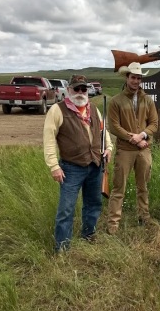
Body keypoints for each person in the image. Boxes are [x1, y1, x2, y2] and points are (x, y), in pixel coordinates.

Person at [43, 74, 113, 252]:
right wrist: (54, 166)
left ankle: (88, 235)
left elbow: (103, 132)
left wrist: (109, 148)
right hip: (71, 168)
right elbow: (49, 139)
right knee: (66, 209)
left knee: (94, 204)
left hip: (95, 165)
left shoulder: (93, 109)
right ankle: (62, 247)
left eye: (84, 89)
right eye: (77, 89)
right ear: (68, 90)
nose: (81, 92)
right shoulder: (57, 110)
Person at [106, 62, 158, 235]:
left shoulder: (148, 99)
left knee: (143, 186)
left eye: (139, 78)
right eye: (133, 77)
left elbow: (154, 123)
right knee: (118, 187)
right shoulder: (116, 101)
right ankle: (113, 223)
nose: (136, 81)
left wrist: (142, 135)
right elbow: (113, 126)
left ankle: (144, 216)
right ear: (127, 78)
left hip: (144, 150)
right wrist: (134, 139)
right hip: (125, 151)